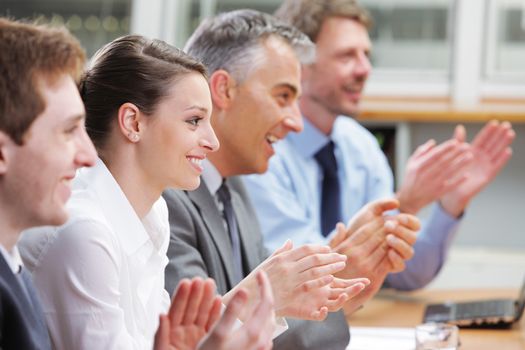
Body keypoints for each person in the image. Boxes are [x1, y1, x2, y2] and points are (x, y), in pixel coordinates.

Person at [163, 9, 420, 349]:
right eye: (282, 97)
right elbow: (204, 342)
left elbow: (271, 320)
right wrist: (337, 277)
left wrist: (336, 284)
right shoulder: (166, 201)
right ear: (223, 90)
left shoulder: (233, 188)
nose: (296, 122)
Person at [18, 33, 276, 350]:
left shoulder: (153, 213)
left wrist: (263, 301)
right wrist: (263, 294)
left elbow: (170, 341)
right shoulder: (86, 231)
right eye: (194, 120)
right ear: (133, 123)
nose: (213, 141)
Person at [244, 0, 515, 292]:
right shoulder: (264, 151)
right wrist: (406, 203)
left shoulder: (359, 145)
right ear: (299, 65)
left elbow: (407, 273)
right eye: (347, 56)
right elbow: (309, 279)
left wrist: (451, 204)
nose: (365, 69)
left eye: (366, 55)